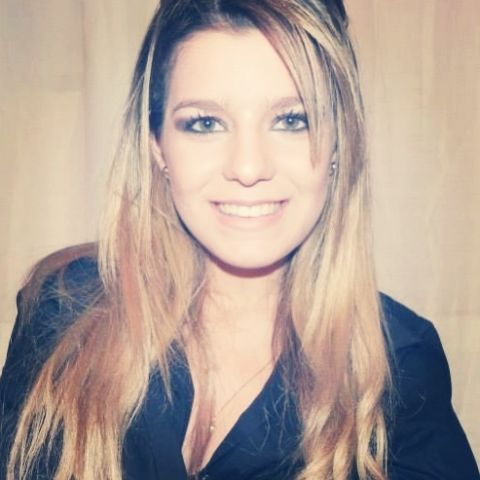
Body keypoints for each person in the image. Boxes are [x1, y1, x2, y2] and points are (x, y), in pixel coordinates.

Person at [0, 0, 478, 479]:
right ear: (158, 147)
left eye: (292, 120)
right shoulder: (63, 312)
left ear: (340, 141)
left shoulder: (400, 365)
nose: (248, 167)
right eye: (205, 123)